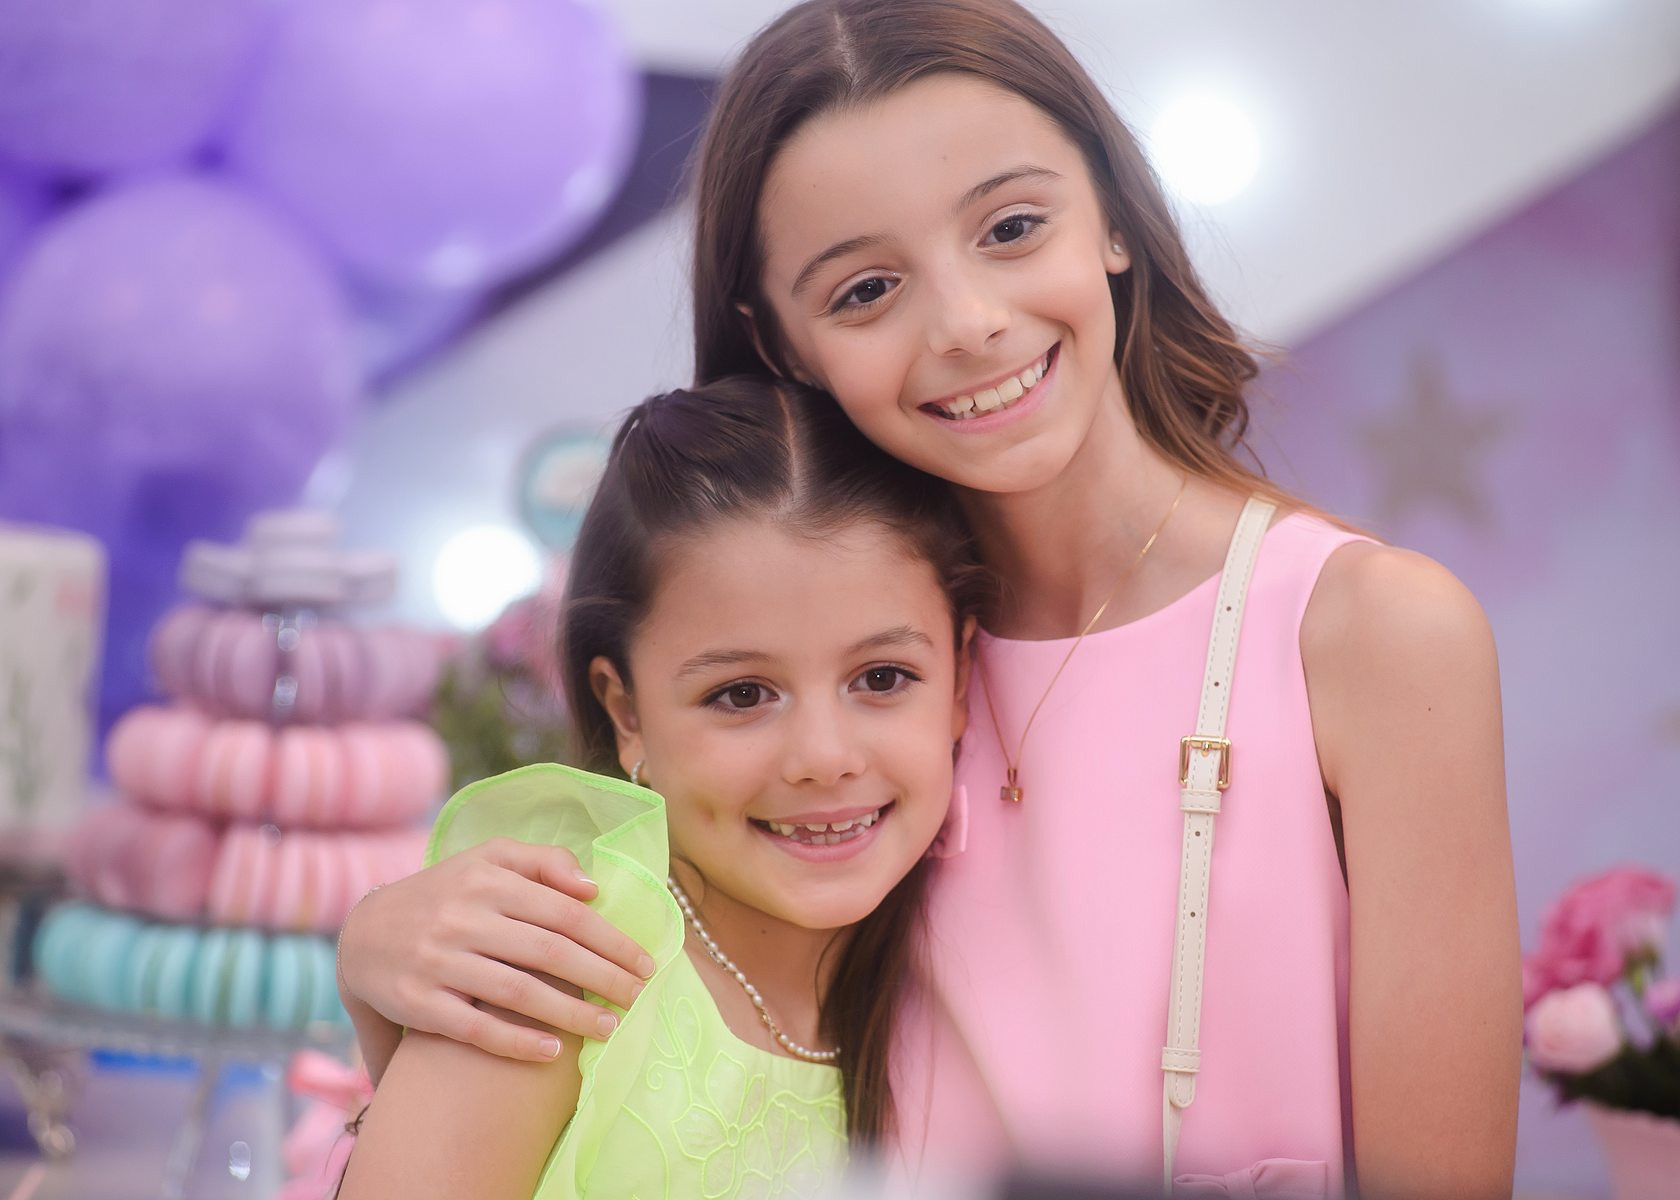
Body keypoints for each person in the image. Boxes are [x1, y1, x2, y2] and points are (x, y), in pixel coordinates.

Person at [337, 2, 1523, 1194]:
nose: (968, 324)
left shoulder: (1370, 634)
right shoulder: (820, 680)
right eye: (865, 290)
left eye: (1012, 227)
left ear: (1114, 215)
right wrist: (379, 956)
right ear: (781, 341)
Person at [339, 378, 985, 1197]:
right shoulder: (552, 968)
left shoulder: (962, 981)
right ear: (627, 711)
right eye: (742, 695)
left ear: (960, 675)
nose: (824, 758)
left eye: (883, 677)